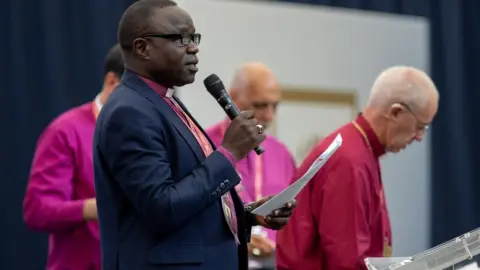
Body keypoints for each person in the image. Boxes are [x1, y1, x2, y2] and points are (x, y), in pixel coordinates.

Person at [93, 1, 296, 270]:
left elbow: (191, 203)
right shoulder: (129, 111)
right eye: (180, 38)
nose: (194, 47)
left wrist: (249, 215)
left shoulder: (164, 102)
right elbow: (163, 208)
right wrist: (229, 152)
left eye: (194, 37)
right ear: (142, 48)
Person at [275, 66, 439, 270]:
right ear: (396, 112)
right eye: (420, 126)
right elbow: (346, 261)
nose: (419, 137)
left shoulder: (358, 150)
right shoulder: (350, 160)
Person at [23, 44, 124, 270]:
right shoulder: (65, 131)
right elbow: (37, 210)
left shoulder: (153, 132)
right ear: (112, 82)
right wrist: (97, 208)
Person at [206, 62, 296, 264]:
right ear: (232, 98)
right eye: (260, 105)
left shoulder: (282, 154)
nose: (269, 115)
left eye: (275, 106)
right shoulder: (204, 144)